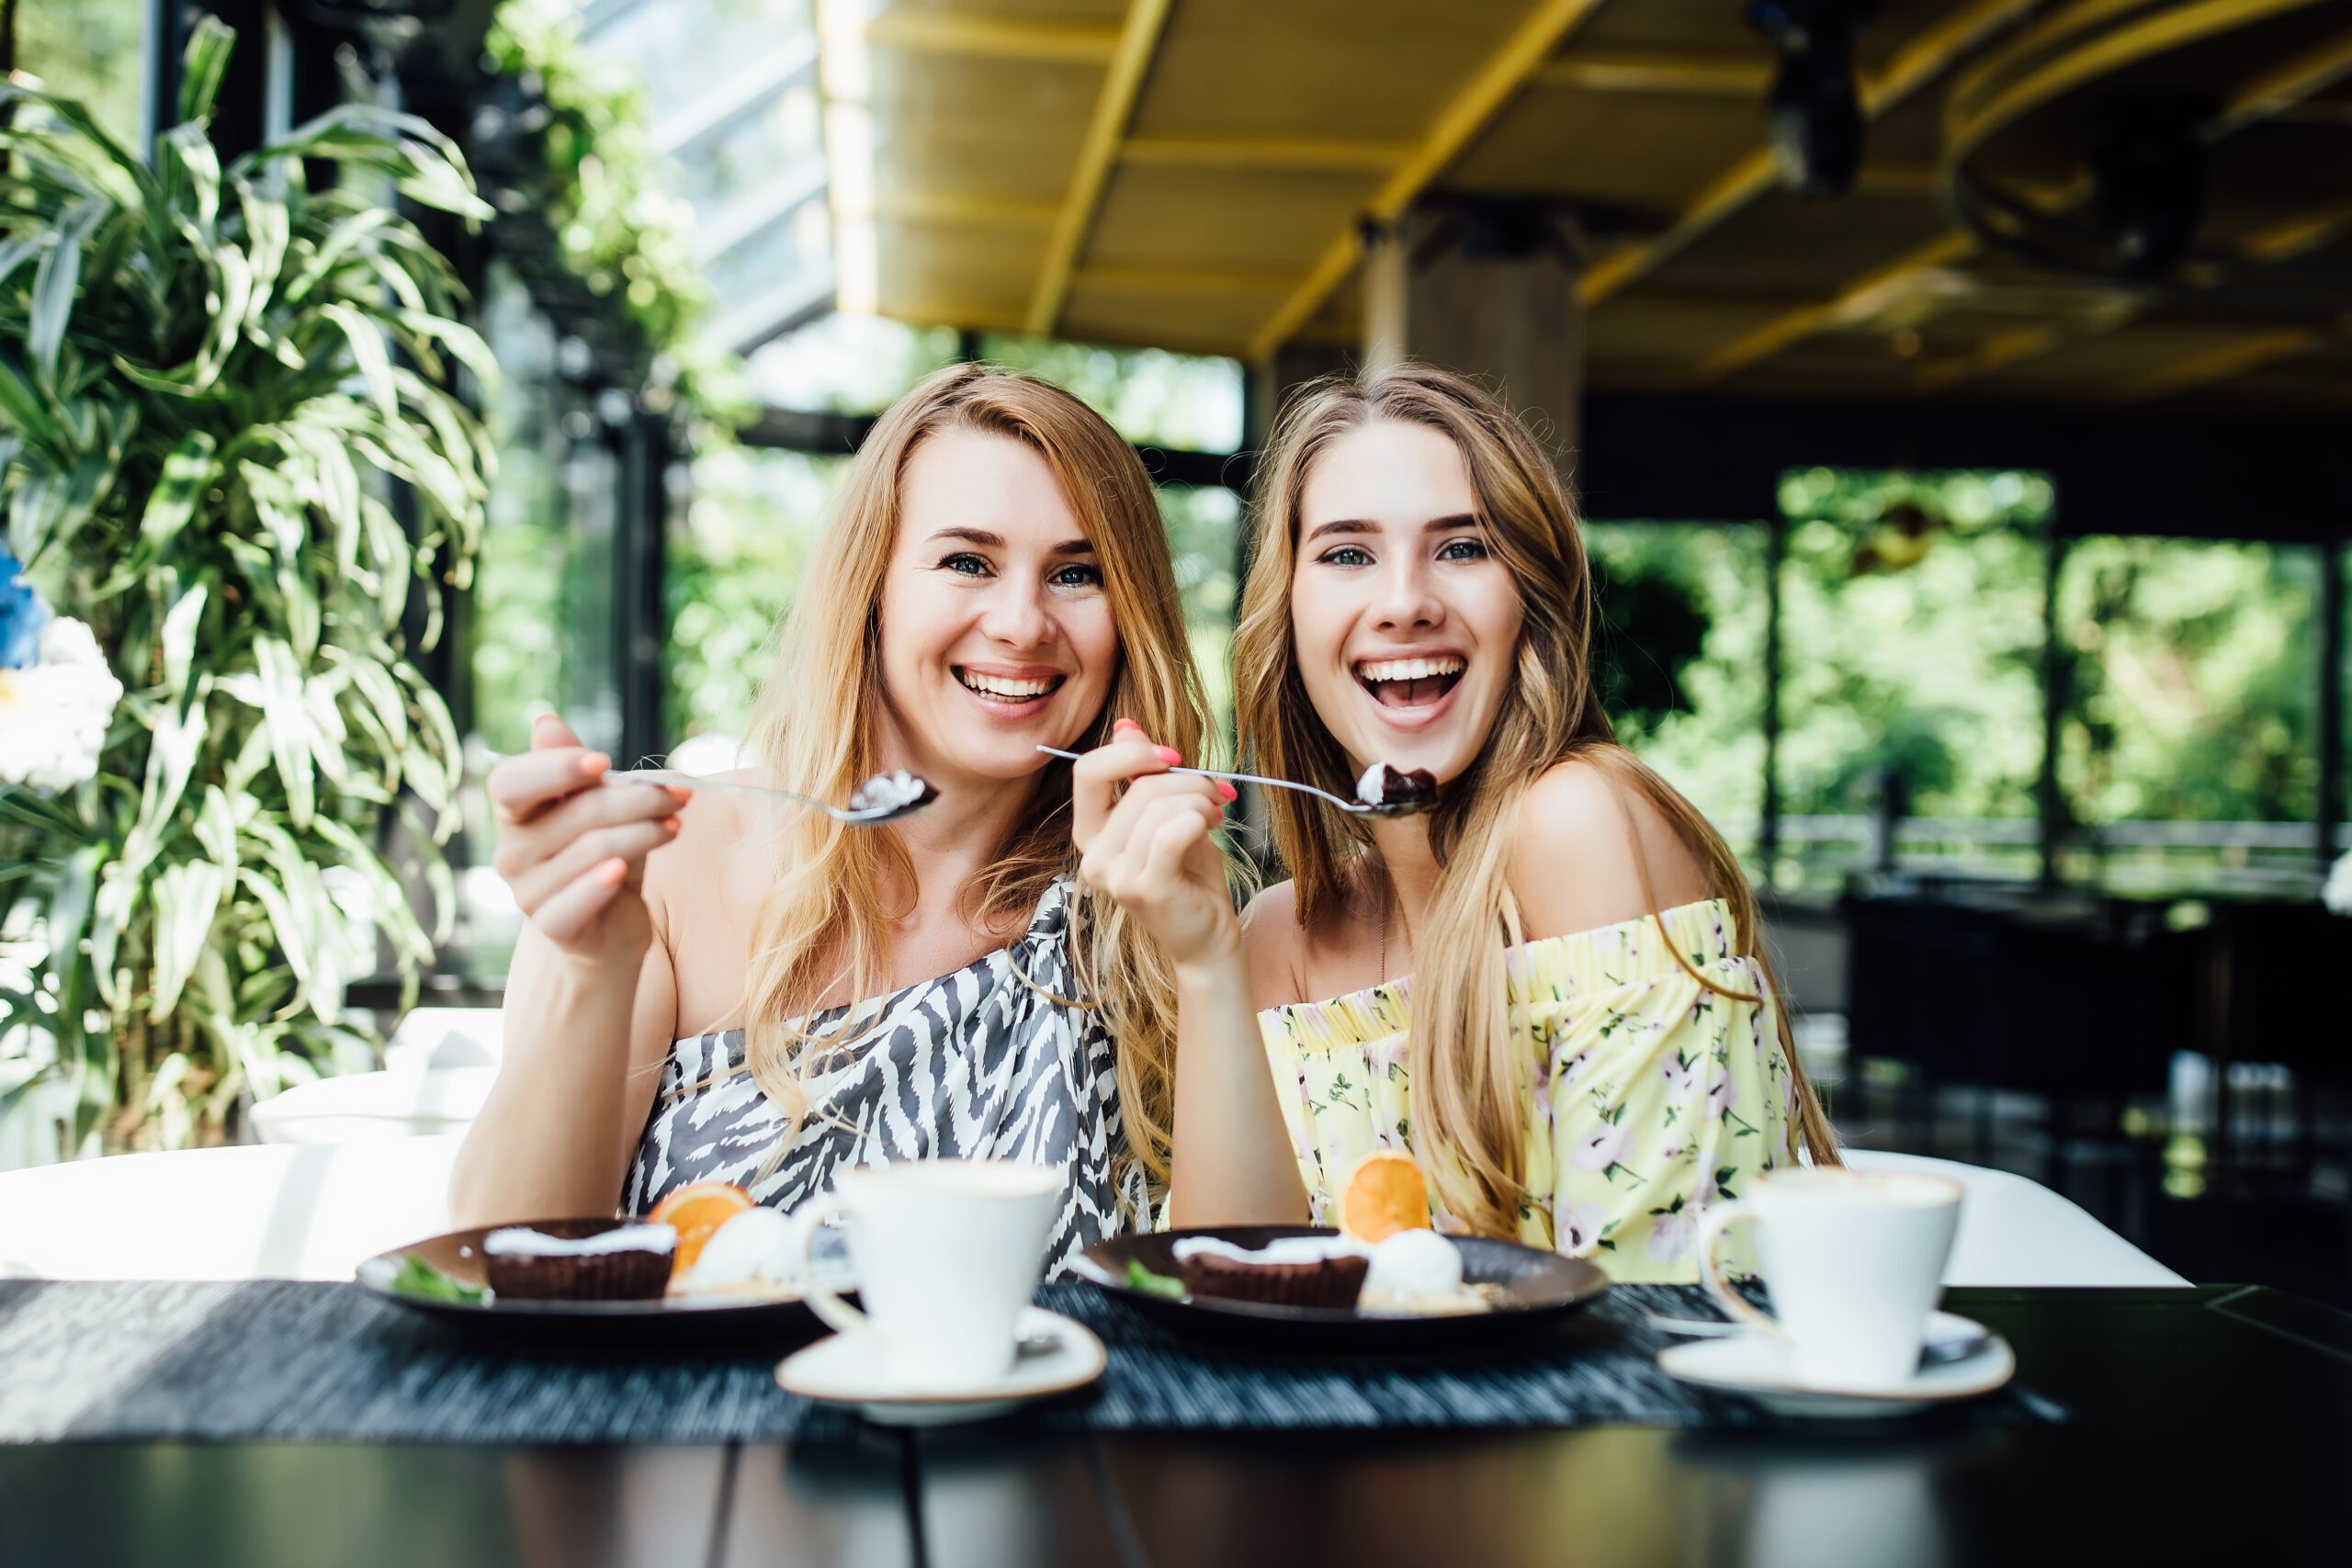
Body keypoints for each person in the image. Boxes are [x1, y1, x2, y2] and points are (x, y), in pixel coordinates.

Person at [451, 365, 1240, 1275]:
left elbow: (1227, 1303)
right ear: (872, 590)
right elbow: (495, 1272)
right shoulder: (660, 868)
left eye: (1076, 573)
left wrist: (1204, 962)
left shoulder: (1151, 921)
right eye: (966, 562)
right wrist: (590, 969)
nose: (1022, 623)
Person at [1080, 364, 1838, 1281]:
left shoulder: (1580, 826)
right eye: (1347, 553)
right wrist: (1204, 963)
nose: (1404, 602)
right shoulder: (1275, 938)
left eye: (1462, 547)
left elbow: (1648, 1319)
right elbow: (1236, 1296)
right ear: (1288, 612)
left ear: (1531, 598)